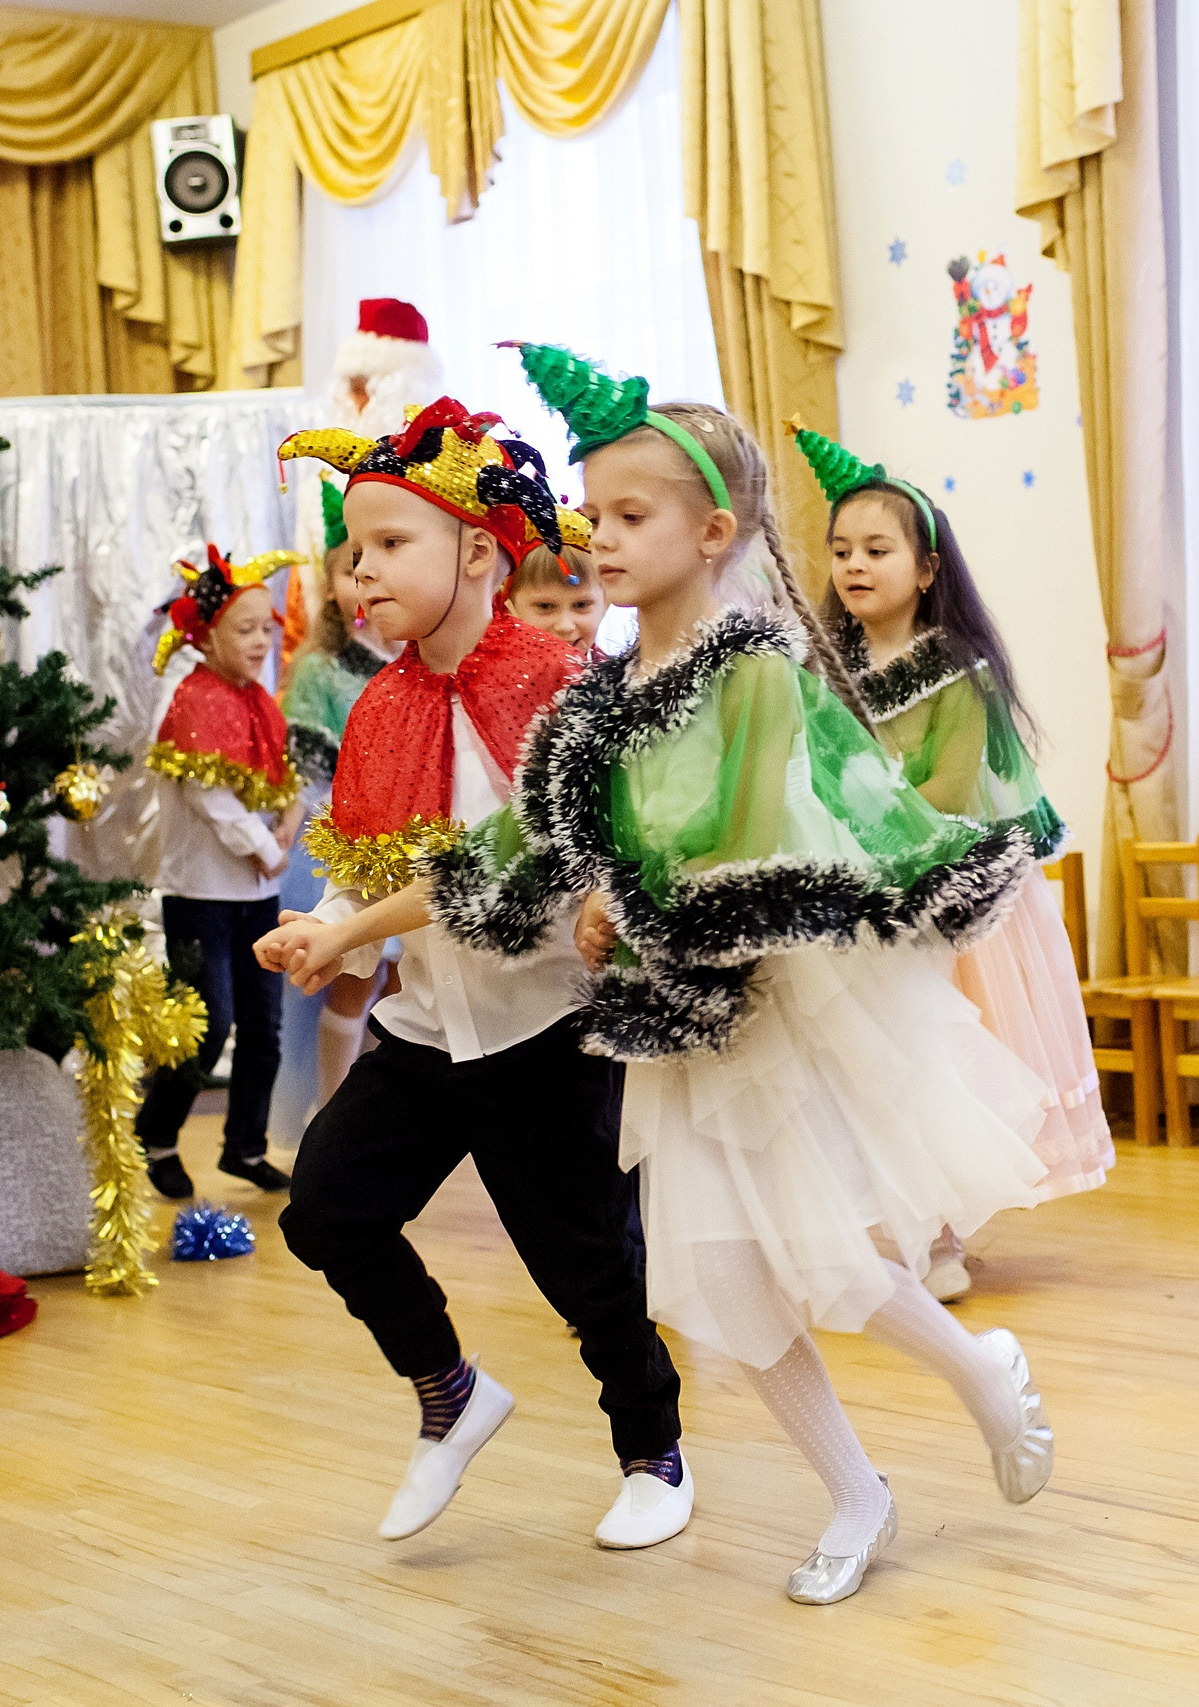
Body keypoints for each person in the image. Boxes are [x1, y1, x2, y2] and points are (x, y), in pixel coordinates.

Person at [421, 345, 1059, 1605]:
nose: (597, 539)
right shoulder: (606, 692)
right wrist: (370, 924)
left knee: (812, 1258)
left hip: (761, 998)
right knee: (719, 1274)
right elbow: (543, 836)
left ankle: (979, 1376)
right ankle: (859, 1492)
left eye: (630, 516)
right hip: (668, 1012)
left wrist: (634, 904)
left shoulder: (754, 663)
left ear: (713, 531)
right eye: (591, 515)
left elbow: (750, 826)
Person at [254, 397, 690, 1552]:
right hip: (427, 1032)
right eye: (353, 551)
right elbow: (374, 862)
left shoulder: (554, 684)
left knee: (590, 1275)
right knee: (329, 1206)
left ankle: (653, 1449)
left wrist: (349, 932)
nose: (359, 574)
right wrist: (323, 920)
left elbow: (513, 875)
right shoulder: (380, 705)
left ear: (481, 556)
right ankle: (448, 1393)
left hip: (548, 1033)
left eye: (391, 545)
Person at [791, 421, 1111, 1302]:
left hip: (944, 892)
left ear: (927, 568)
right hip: (859, 894)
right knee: (870, 1062)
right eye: (841, 550)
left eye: (877, 549)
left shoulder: (957, 671)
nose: (854, 565)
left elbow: (949, 786)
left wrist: (864, 819)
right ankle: (896, 1226)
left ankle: (940, 1237)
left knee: (940, 1060)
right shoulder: (824, 674)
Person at [136, 545, 309, 1198]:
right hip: (200, 894)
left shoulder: (258, 703)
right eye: (247, 629)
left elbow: (278, 771)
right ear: (206, 636)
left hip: (255, 894)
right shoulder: (193, 701)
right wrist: (265, 846)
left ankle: (245, 1145)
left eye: (267, 627)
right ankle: (155, 1133)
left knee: (262, 1028)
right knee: (205, 1026)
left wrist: (288, 815)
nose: (263, 639)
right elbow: (212, 798)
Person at [281, 480, 402, 1111]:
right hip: (339, 841)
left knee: (399, 982)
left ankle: (382, 1108)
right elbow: (309, 773)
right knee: (354, 978)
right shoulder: (320, 672)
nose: (364, 579)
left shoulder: (414, 661)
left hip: (407, 842)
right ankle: (333, 1108)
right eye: (350, 568)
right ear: (333, 587)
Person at [506, 542, 607, 655]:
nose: (565, 626)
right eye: (545, 606)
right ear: (510, 610)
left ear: (605, 604)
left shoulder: (623, 671)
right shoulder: (490, 670)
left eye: (581, 605)